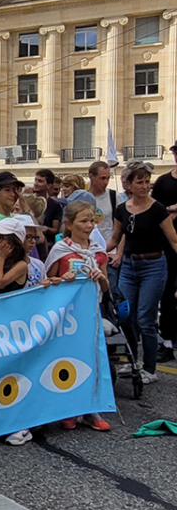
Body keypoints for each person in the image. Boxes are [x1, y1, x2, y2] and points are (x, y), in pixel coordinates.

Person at [45, 200, 111, 432]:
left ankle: (90, 409)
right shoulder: (60, 250)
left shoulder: (98, 252)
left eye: (92, 220)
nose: (89, 225)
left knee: (90, 358)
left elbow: (106, 287)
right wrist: (64, 279)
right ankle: (67, 408)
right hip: (65, 316)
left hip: (90, 313)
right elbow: (46, 282)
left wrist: (100, 278)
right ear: (70, 224)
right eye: (84, 220)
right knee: (66, 360)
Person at [108, 162, 177, 384]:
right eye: (140, 182)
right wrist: (90, 248)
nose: (145, 186)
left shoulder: (158, 209)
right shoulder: (121, 209)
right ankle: (132, 361)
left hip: (153, 266)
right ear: (128, 184)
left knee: (145, 318)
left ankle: (149, 368)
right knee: (126, 316)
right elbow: (114, 239)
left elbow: (174, 239)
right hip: (129, 266)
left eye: (147, 181)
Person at [151, 141, 177, 362]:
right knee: (167, 294)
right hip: (166, 247)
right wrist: (170, 210)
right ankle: (167, 342)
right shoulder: (163, 182)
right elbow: (154, 209)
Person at [14, 215, 46, 286]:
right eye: (28, 237)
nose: (33, 241)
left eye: (35, 237)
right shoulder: (6, 265)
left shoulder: (38, 264)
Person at [33, 169, 62, 247]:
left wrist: (44, 228)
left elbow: (55, 230)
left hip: (46, 245)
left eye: (40, 181)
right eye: (35, 180)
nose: (36, 183)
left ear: (49, 186)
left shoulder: (55, 205)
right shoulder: (28, 201)